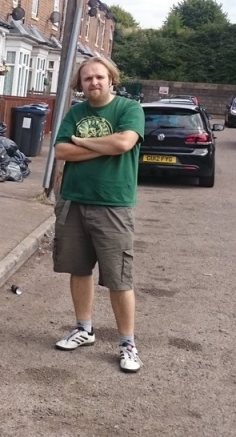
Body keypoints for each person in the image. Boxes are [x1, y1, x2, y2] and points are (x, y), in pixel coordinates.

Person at [52, 56, 145, 373]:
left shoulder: (129, 110)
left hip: (113, 203)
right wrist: (97, 145)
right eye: (88, 78)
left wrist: (81, 140)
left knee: (119, 278)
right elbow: (61, 151)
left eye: (99, 77)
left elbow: (123, 143)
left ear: (111, 79)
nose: (93, 82)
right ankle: (84, 329)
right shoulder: (75, 112)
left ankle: (127, 344)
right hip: (74, 201)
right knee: (79, 269)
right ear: (81, 85)